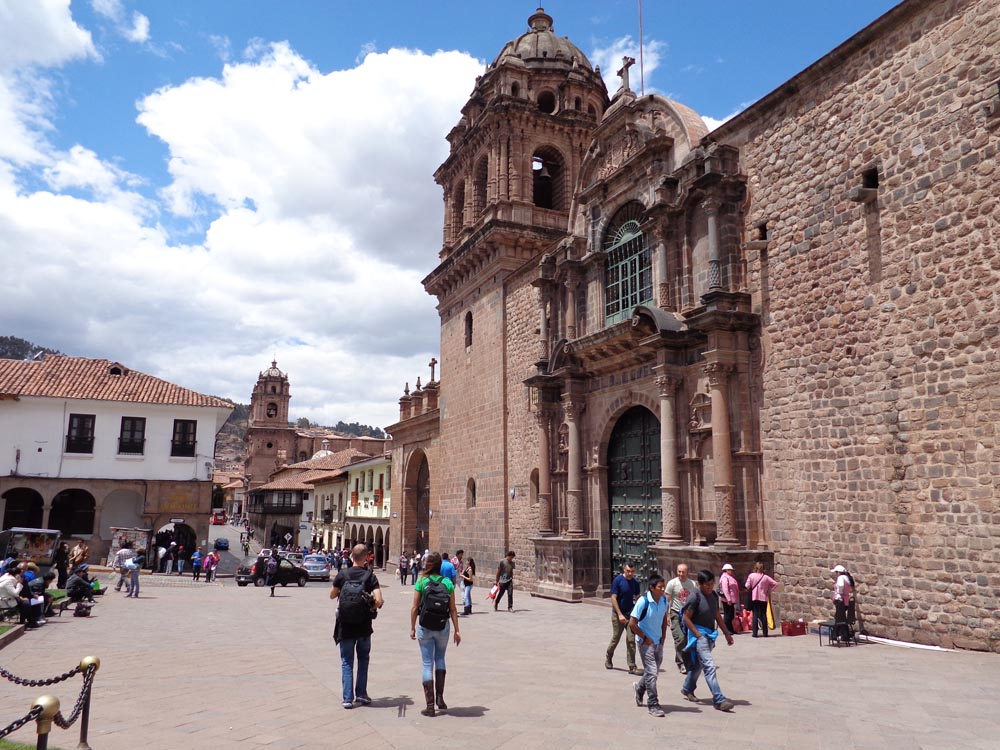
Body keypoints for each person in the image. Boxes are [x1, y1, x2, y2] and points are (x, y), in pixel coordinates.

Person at [330, 544, 383, 710]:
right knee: (363, 660)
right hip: (364, 626)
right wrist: (371, 604)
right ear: (366, 557)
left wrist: (341, 592)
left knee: (347, 662)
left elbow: (332, 595)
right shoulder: (370, 577)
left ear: (351, 556)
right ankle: (361, 693)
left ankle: (347, 698)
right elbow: (379, 600)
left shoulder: (342, 574)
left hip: (345, 626)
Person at [410, 551, 461, 717]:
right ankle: (440, 698)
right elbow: (453, 609)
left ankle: (430, 706)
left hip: (425, 627)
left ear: (427, 564)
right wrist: (457, 630)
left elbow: (414, 607)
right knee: (440, 659)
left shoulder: (422, 581)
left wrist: (412, 627)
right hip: (442, 627)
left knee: (427, 664)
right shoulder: (447, 582)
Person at [681, 569, 735, 711]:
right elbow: (686, 618)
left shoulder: (714, 596)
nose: (710, 587)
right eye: (707, 585)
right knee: (709, 666)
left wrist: (727, 633)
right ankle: (718, 699)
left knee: (699, 665)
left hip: (710, 634)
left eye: (712, 584)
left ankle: (687, 688)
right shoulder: (694, 597)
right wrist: (698, 634)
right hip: (699, 636)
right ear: (700, 584)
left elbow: (717, 614)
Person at [629, 574, 669, 718]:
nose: (663, 590)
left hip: (658, 641)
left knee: (653, 672)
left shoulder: (664, 600)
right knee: (652, 672)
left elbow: (664, 618)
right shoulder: (643, 601)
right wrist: (644, 637)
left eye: (663, 587)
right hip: (645, 643)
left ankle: (639, 688)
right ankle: (653, 703)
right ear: (651, 588)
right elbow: (632, 623)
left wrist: (663, 636)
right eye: (660, 587)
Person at [606, 561, 641, 674]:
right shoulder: (618, 581)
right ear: (623, 570)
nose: (630, 573)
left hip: (630, 615)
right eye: (628, 571)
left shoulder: (635, 582)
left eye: (632, 571)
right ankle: (609, 656)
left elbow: (637, 596)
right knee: (616, 638)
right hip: (618, 614)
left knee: (631, 640)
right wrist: (619, 614)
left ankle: (632, 666)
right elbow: (613, 598)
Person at [665, 563, 697, 673]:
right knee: (680, 638)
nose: (681, 574)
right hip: (675, 613)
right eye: (679, 571)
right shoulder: (672, 583)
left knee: (687, 639)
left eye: (683, 572)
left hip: (687, 615)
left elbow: (695, 600)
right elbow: (667, 600)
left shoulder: (692, 584)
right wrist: (667, 615)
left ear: (687, 572)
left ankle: (684, 660)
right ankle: (681, 663)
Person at [744, 562, 779, 637]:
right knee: (763, 614)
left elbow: (747, 586)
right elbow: (776, 584)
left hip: (754, 597)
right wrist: (769, 591)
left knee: (755, 615)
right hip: (763, 597)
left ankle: (755, 633)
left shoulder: (751, 576)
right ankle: (765, 633)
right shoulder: (766, 577)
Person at [831, 564, 855, 642]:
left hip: (840, 600)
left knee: (839, 618)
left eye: (836, 572)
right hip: (845, 600)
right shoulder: (847, 578)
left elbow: (841, 586)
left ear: (838, 572)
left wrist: (840, 594)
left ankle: (839, 635)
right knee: (841, 618)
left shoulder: (841, 578)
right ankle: (843, 635)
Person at [718, 563, 740, 635]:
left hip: (731, 599)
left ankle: (730, 629)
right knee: (727, 615)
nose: (732, 571)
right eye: (730, 570)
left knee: (730, 615)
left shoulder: (729, 577)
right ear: (726, 570)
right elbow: (725, 589)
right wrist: (729, 599)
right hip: (727, 600)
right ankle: (727, 630)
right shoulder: (725, 578)